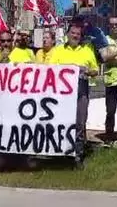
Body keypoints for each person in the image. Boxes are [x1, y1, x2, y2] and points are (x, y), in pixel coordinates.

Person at [49, 20, 99, 169]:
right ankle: (61, 153)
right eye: (73, 33)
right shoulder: (58, 50)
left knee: (80, 123)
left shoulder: (87, 51)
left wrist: (88, 71)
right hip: (62, 94)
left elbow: (95, 70)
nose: (75, 36)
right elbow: (51, 70)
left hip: (81, 91)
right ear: (67, 34)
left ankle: (78, 155)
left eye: (78, 34)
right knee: (61, 122)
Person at [0, 30, 37, 171]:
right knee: (2, 129)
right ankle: (2, 158)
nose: (5, 44)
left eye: (8, 41)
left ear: (13, 41)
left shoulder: (22, 54)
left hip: (19, 100)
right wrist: (0, 60)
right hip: (1, 100)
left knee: (20, 129)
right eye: (2, 41)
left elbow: (33, 74)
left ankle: (23, 159)